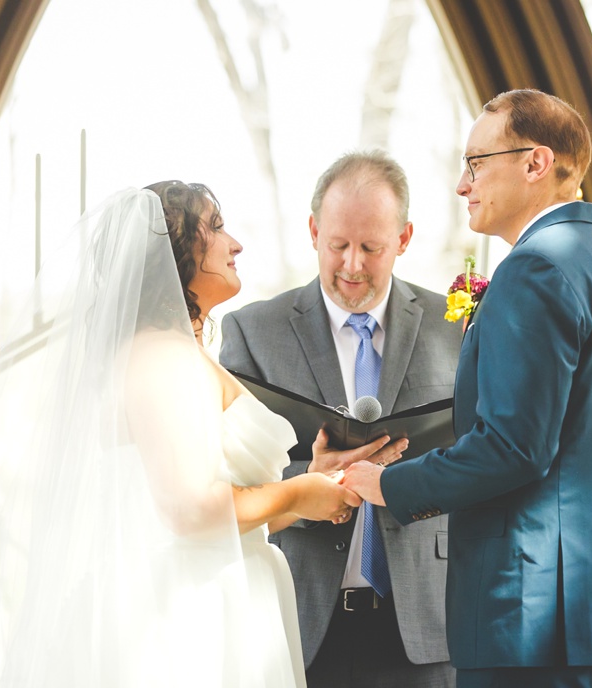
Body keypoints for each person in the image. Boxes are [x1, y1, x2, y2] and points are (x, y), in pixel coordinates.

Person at [0, 182, 403, 687]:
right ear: (173, 252)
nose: (235, 244)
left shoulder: (177, 351)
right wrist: (296, 492)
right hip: (187, 617)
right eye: (216, 228)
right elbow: (190, 511)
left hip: (224, 594)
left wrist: (311, 484)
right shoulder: (161, 358)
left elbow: (212, 511)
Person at [341, 89, 592, 688]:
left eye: (477, 162)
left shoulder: (535, 268)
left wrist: (389, 484)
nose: (463, 184)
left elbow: (514, 447)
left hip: (527, 614)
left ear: (535, 163)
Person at [221, 151, 460, 687]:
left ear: (404, 239)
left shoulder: (456, 328)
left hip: (426, 623)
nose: (352, 265)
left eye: (371, 248)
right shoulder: (252, 333)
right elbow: (222, 481)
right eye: (338, 245)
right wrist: (312, 480)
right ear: (312, 231)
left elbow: (475, 456)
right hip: (299, 626)